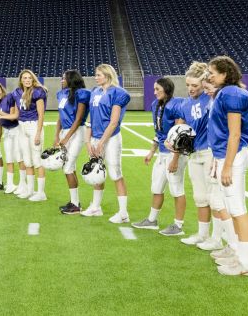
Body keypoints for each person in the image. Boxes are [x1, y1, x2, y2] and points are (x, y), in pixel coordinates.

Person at [206, 56, 248, 277]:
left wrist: (226, 165)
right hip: (225, 155)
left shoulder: (232, 94)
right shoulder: (225, 93)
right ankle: (237, 253)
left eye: (213, 72)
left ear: (225, 74)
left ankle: (246, 264)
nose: (210, 76)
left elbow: (234, 133)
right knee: (231, 206)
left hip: (233, 156)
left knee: (237, 209)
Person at [132, 77, 186, 234]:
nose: (154, 92)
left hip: (175, 153)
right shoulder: (156, 105)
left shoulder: (176, 105)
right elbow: (159, 132)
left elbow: (179, 134)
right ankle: (151, 220)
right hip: (162, 153)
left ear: (167, 90)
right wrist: (151, 151)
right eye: (154, 89)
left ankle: (178, 225)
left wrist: (175, 158)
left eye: (158, 90)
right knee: (156, 187)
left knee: (177, 189)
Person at [171, 62, 215, 246]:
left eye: (195, 85)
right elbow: (179, 128)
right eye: (188, 85)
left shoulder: (212, 98)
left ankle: (218, 237)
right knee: (200, 196)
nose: (190, 89)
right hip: (194, 153)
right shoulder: (186, 103)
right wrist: (171, 140)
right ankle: (203, 234)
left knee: (215, 198)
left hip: (210, 151)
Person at [83, 63, 131, 222]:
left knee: (115, 174)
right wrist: (88, 141)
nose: (96, 78)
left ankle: (123, 213)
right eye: (95, 75)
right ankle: (96, 207)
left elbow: (114, 122)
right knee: (97, 171)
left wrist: (102, 142)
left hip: (110, 138)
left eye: (99, 75)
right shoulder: (95, 92)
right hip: (96, 138)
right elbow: (91, 118)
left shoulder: (118, 93)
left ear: (108, 75)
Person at [53, 70, 91, 215]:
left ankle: (75, 205)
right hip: (65, 132)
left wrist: (67, 137)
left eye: (64, 78)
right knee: (70, 166)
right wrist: (57, 135)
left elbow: (78, 119)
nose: (62, 80)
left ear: (71, 79)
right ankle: (75, 201)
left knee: (67, 168)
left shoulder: (81, 93)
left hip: (77, 131)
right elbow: (60, 117)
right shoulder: (61, 94)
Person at [11, 69, 48, 201]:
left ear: (33, 79)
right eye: (24, 78)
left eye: (29, 78)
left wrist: (38, 133)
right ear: (21, 80)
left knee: (37, 161)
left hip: (33, 126)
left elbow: (41, 115)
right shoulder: (17, 92)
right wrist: (0, 114)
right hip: (22, 127)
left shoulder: (38, 92)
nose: (27, 80)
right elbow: (16, 114)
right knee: (27, 161)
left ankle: (41, 193)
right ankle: (30, 190)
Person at [0, 82, 22, 195]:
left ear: (2, 90)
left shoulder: (9, 98)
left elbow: (12, 117)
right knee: (9, 158)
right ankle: (11, 183)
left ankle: (23, 184)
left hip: (16, 130)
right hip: (7, 131)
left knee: (19, 158)